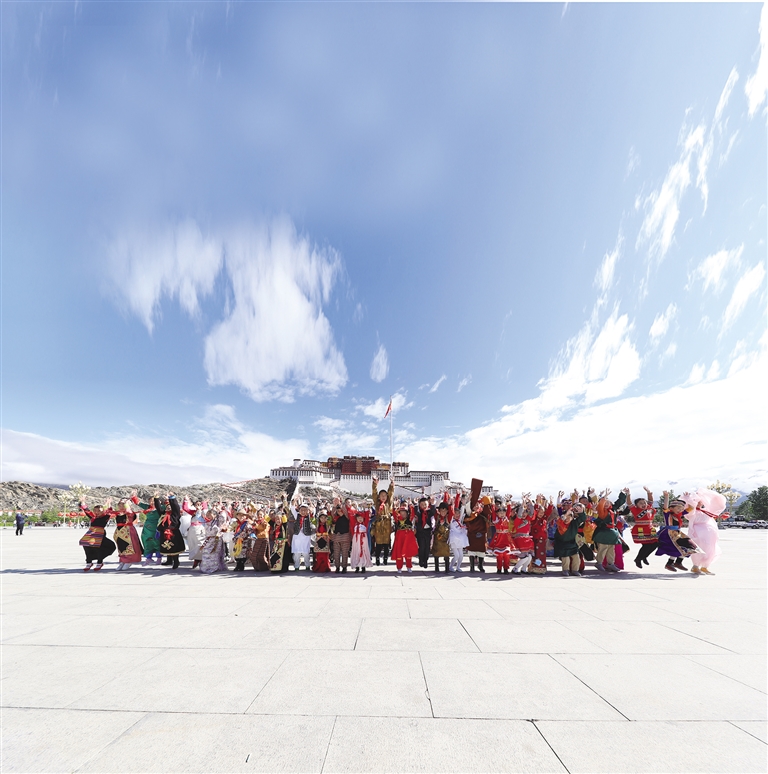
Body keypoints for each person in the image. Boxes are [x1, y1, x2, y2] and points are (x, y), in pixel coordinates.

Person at [683, 489, 726, 575]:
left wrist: (717, 499)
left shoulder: (706, 511)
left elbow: (716, 511)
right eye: (697, 501)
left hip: (709, 534)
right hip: (697, 534)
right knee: (699, 548)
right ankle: (695, 566)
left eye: (701, 502)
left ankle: (705, 566)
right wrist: (687, 499)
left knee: (710, 548)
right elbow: (688, 510)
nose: (699, 503)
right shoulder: (692, 512)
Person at [656, 492, 698, 572]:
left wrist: (687, 498)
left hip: (677, 533)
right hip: (669, 533)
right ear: (671, 508)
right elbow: (665, 507)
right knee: (676, 548)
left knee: (690, 546)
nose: (680, 510)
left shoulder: (679, 514)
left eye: (682, 509)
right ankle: (669, 564)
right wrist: (666, 497)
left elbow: (691, 508)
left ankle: (678, 562)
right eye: (678, 508)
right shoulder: (668, 514)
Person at [78, 499, 117, 571]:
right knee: (86, 545)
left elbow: (109, 511)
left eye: (99, 511)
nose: (97, 512)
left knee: (99, 548)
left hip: (100, 534)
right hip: (91, 533)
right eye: (95, 510)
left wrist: (108, 504)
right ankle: (89, 562)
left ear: (103, 511)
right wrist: (83, 501)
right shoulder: (93, 517)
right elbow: (87, 510)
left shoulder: (105, 517)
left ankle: (99, 562)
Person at [628, 487, 658, 569]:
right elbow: (629, 503)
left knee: (655, 544)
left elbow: (650, 500)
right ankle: (638, 559)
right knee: (646, 546)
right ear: (636, 505)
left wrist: (649, 492)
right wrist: (628, 494)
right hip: (640, 530)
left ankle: (644, 556)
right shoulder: (635, 510)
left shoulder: (648, 508)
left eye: (644, 502)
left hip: (650, 529)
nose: (643, 504)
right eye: (640, 503)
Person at [554, 502, 586, 576]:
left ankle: (575, 570)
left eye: (569, 517)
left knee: (576, 557)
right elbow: (560, 521)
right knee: (566, 558)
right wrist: (566, 514)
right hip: (562, 544)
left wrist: (581, 512)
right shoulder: (561, 524)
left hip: (572, 543)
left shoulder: (574, 523)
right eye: (566, 517)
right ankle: (565, 570)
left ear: (572, 518)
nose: (567, 519)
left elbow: (583, 518)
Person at [156, 494, 186, 570]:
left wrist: (171, 498)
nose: (168, 507)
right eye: (167, 506)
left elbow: (176, 506)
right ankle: (169, 560)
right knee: (167, 547)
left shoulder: (175, 514)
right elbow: (158, 507)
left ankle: (176, 561)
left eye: (170, 506)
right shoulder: (163, 514)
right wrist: (156, 498)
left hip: (174, 533)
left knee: (174, 547)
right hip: (164, 533)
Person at [593, 494, 621, 573]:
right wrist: (604, 498)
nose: (606, 504)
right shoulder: (602, 512)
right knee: (603, 548)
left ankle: (611, 563)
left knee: (611, 549)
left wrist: (623, 494)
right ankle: (599, 562)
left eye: (607, 502)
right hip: (603, 531)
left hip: (611, 531)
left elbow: (619, 502)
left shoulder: (612, 511)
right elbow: (600, 506)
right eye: (604, 503)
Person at [113, 498, 143, 570]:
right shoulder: (118, 513)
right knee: (121, 546)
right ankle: (122, 561)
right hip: (119, 532)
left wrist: (127, 504)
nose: (121, 506)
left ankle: (129, 560)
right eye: (119, 504)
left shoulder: (130, 513)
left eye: (123, 504)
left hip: (128, 531)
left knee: (129, 546)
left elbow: (128, 511)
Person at [371, 477, 394, 566]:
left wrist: (391, 483)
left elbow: (391, 492)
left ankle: (385, 558)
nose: (383, 497)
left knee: (386, 543)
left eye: (385, 495)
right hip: (379, 524)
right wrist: (375, 484)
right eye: (381, 495)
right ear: (379, 496)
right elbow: (374, 493)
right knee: (378, 543)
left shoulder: (388, 502)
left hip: (387, 524)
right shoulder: (377, 502)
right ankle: (377, 558)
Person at [463, 493, 488, 573]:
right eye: (474, 505)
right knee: (472, 551)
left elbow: (487, 510)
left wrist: (485, 500)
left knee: (481, 551)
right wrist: (469, 500)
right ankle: (472, 566)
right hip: (472, 535)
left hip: (481, 535)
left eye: (477, 505)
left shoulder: (482, 513)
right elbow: (467, 509)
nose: (476, 506)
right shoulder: (470, 514)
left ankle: (480, 565)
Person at [391, 502, 419, 574]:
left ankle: (409, 566)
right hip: (400, 537)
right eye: (401, 512)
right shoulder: (398, 519)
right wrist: (394, 507)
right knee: (399, 552)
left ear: (407, 513)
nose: (403, 514)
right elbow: (394, 514)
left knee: (408, 552)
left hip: (408, 537)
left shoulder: (409, 519)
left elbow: (412, 513)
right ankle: (399, 567)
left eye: (404, 512)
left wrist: (411, 505)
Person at [489, 498, 514, 574]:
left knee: (506, 555)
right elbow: (493, 512)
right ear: (497, 514)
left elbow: (509, 510)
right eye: (500, 513)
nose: (502, 514)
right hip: (498, 538)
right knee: (499, 555)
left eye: (503, 512)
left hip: (506, 538)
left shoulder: (507, 518)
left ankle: (506, 568)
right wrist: (493, 504)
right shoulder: (495, 519)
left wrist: (508, 503)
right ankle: (499, 569)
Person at [291, 500, 315, 572]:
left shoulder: (309, 517)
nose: (303, 511)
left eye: (305, 510)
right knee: (297, 553)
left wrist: (311, 504)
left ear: (308, 511)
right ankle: (297, 566)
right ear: (299, 510)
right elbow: (292, 509)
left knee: (306, 553)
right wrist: (294, 501)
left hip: (306, 537)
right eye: (302, 510)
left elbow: (314, 510)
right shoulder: (297, 516)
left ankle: (307, 565)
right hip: (297, 537)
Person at [414, 497, 435, 569]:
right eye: (422, 504)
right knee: (422, 547)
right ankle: (421, 560)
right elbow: (416, 512)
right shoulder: (419, 512)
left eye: (425, 504)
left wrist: (433, 504)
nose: (423, 506)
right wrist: (416, 504)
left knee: (427, 548)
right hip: (420, 532)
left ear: (428, 504)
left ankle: (425, 560)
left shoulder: (429, 512)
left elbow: (433, 511)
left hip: (428, 531)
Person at [331, 502, 351, 573]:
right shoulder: (336, 518)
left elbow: (345, 510)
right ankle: (337, 567)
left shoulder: (347, 516)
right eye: (338, 510)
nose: (339, 511)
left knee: (345, 553)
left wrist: (340, 504)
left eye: (340, 510)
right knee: (336, 553)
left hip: (345, 537)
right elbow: (332, 513)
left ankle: (344, 567)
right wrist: (335, 505)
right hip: (336, 537)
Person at [431, 501, 451, 572]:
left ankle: (447, 569)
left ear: (447, 511)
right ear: (439, 511)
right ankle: (436, 568)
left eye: (445, 510)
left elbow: (452, 510)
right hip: (437, 538)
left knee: (446, 554)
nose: (443, 512)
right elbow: (433, 510)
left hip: (445, 538)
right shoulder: (437, 517)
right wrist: (433, 503)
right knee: (436, 553)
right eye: (441, 510)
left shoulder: (448, 517)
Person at [448, 503, 468, 572]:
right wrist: (451, 504)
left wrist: (463, 505)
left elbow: (462, 512)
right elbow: (451, 513)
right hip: (454, 539)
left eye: (458, 513)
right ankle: (450, 566)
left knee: (461, 555)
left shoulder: (460, 521)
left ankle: (458, 567)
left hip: (460, 539)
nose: (457, 515)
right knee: (456, 555)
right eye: (455, 513)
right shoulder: (451, 521)